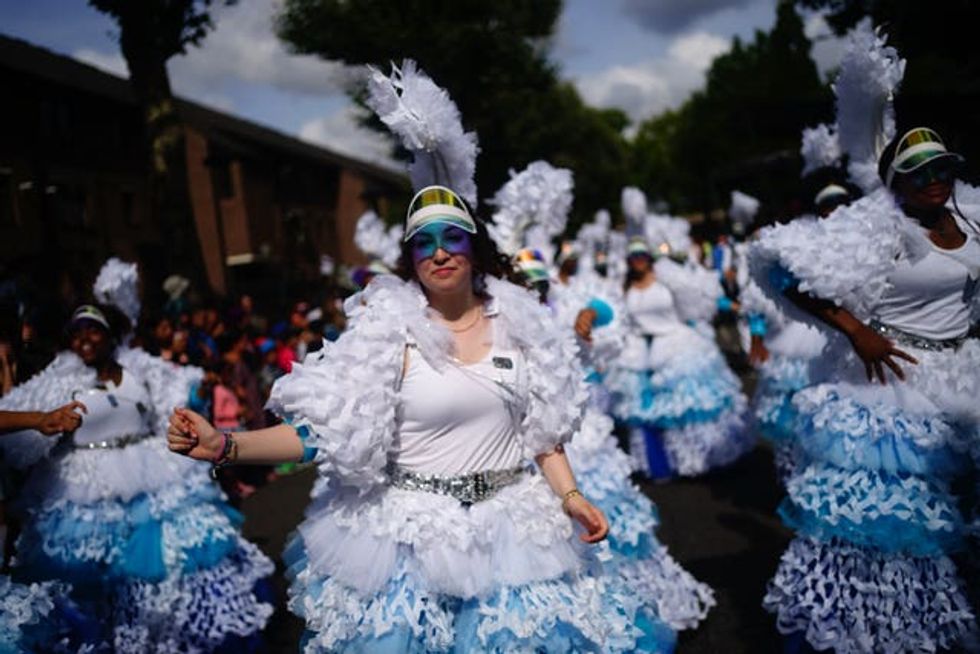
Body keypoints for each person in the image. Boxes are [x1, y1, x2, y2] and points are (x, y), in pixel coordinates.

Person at [168, 185, 675, 652]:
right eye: (423, 242)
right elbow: (322, 432)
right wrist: (226, 447)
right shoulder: (384, 333)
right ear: (410, 258)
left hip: (515, 531)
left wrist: (571, 496)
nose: (439, 252)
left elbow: (542, 432)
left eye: (452, 237)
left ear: (474, 245)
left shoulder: (521, 323)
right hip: (410, 539)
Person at [752, 126, 979, 651]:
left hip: (960, 382)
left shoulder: (971, 217)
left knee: (955, 519)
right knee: (891, 531)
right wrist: (856, 331)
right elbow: (779, 266)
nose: (934, 180)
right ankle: (875, 635)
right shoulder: (876, 227)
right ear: (894, 182)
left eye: (942, 168)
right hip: (891, 387)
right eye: (919, 172)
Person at [0, 303, 273, 651]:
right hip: (85, 485)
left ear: (110, 336)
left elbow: (175, 398)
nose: (85, 337)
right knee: (93, 582)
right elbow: (17, 434)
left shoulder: (138, 368)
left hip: (151, 473)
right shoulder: (57, 380)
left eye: (92, 328)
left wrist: (199, 392)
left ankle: (177, 638)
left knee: (181, 560)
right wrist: (45, 423)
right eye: (77, 331)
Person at [608, 238, 752, 478]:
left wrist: (733, 306)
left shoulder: (667, 281)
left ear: (649, 257)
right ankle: (668, 463)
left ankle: (702, 459)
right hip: (641, 352)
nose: (638, 260)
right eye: (634, 257)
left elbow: (700, 300)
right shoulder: (625, 288)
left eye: (642, 255)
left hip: (678, 346)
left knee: (690, 407)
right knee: (651, 413)